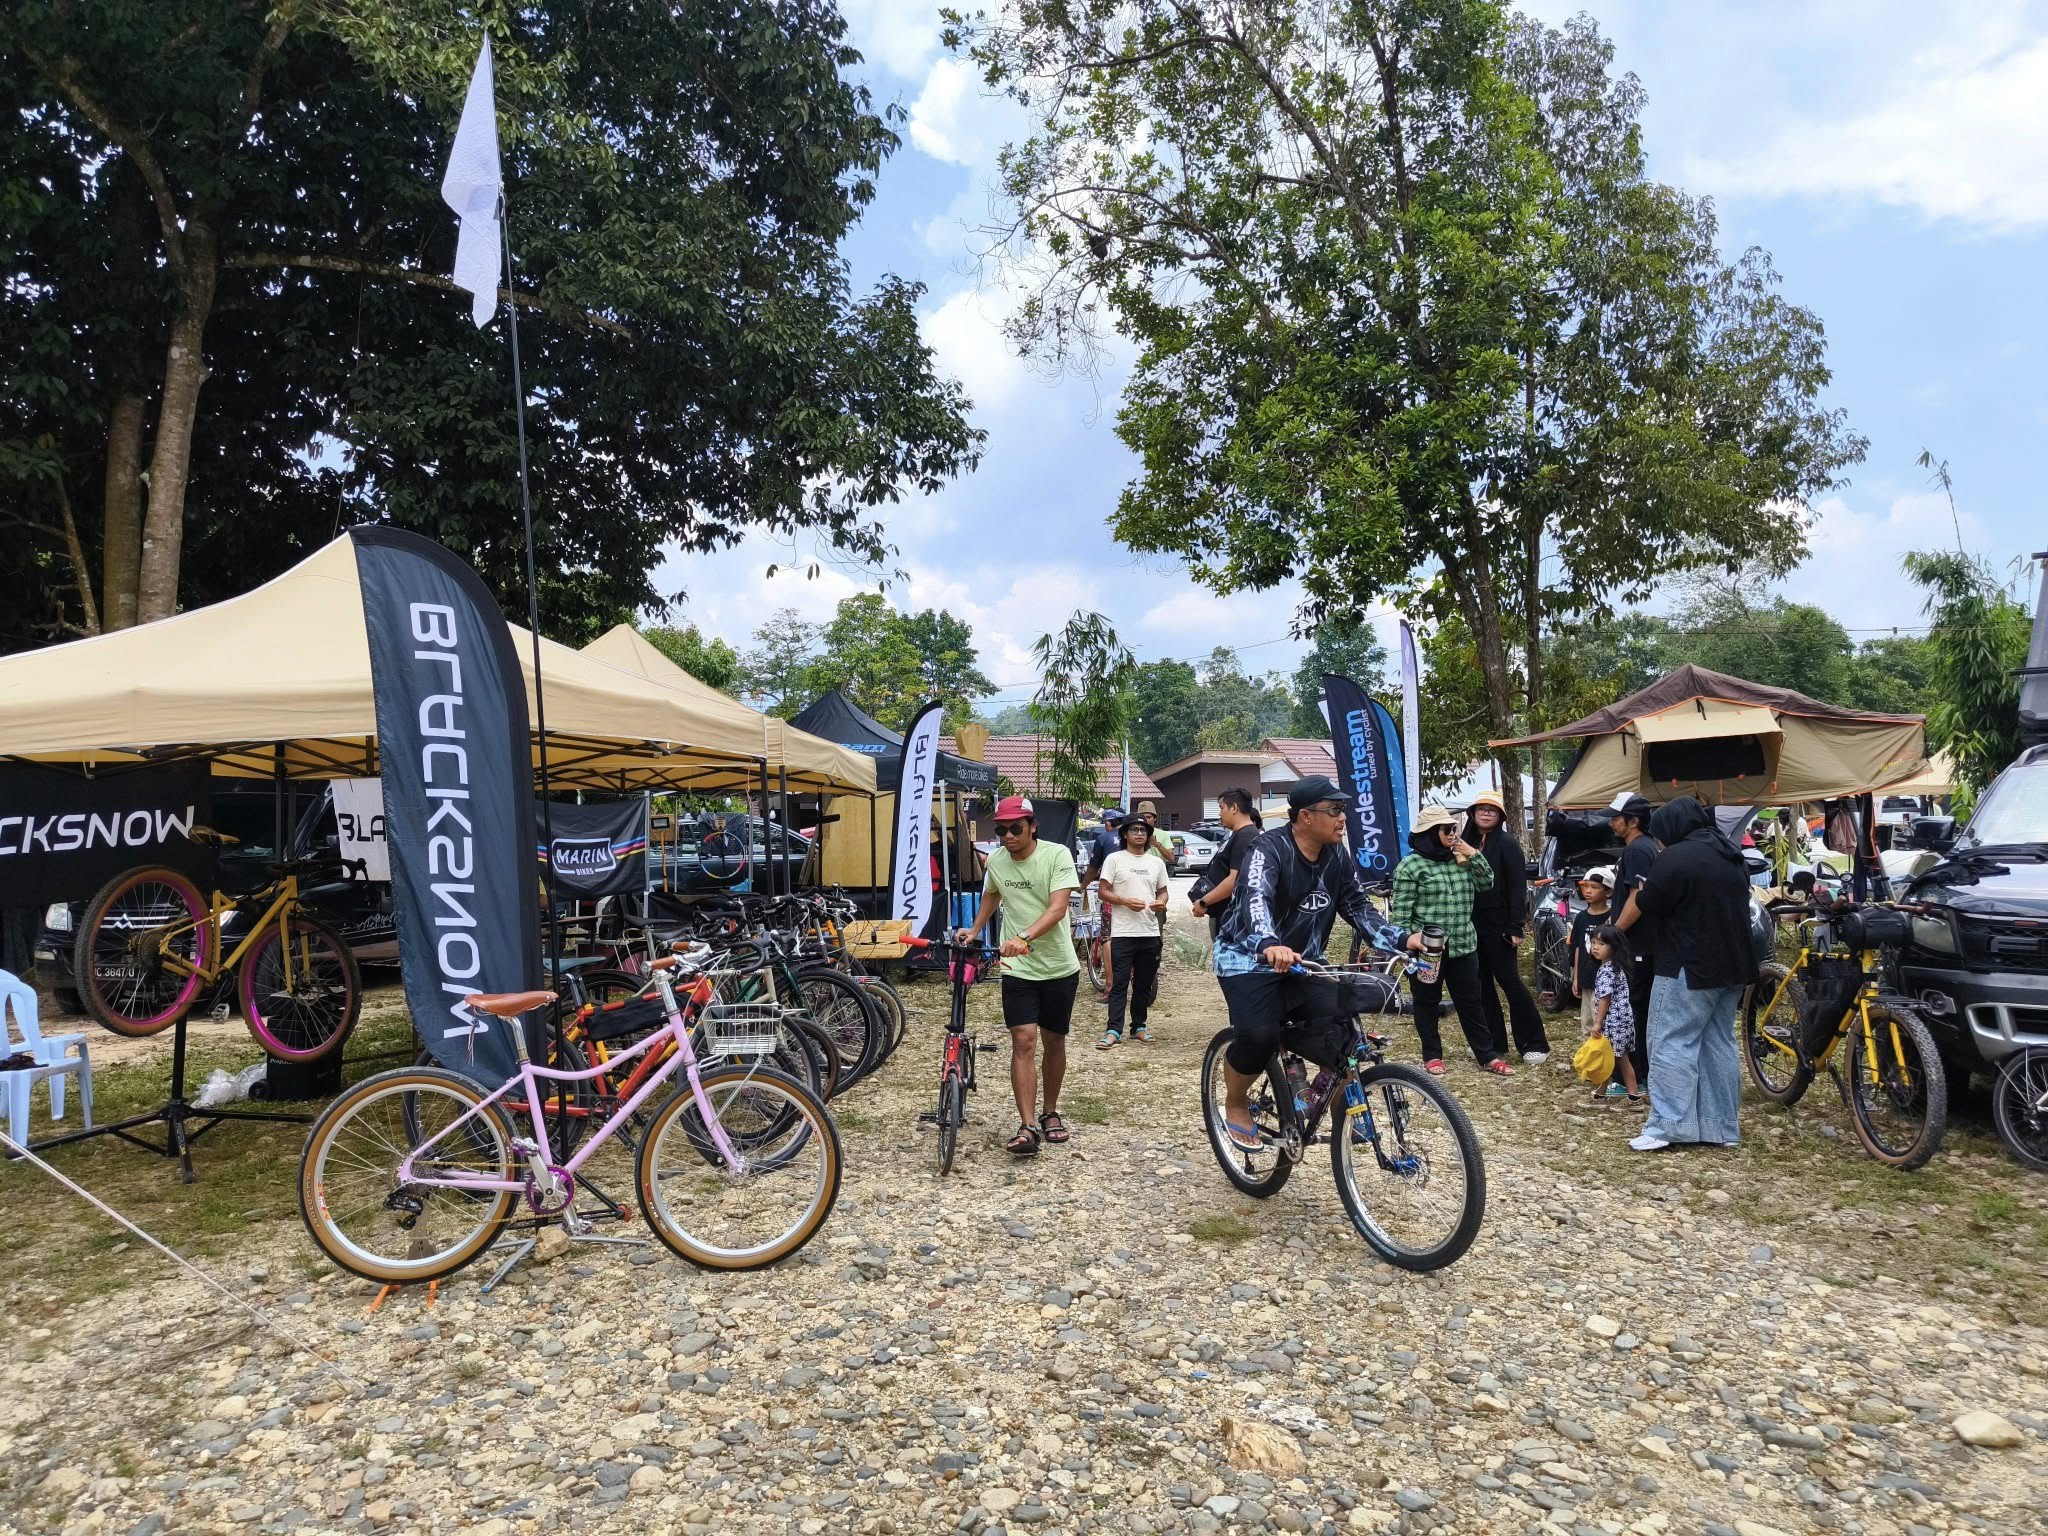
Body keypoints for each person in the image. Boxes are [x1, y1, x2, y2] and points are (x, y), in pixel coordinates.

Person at [1213, 776, 1425, 1149]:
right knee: (1259, 1036)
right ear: (1306, 817)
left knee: (1344, 1028)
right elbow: (1255, 899)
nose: (1343, 818)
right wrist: (1269, 942)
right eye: (1335, 811)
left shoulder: (1336, 856)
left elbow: (1357, 906)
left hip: (1306, 963)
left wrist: (1402, 939)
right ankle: (1235, 1102)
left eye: (1343, 811)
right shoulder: (1267, 849)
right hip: (1247, 960)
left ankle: (1338, 1105)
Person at [1617, 795, 1756, 1152]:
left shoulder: (1675, 857)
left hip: (1687, 965)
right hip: (1733, 965)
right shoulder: (1730, 854)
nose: (1659, 841)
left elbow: (1648, 902)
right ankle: (1721, 1127)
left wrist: (1648, 889)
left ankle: (1668, 1126)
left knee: (1671, 1041)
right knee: (1717, 1042)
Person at [956, 795, 1082, 1156]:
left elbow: (1059, 908)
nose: (1008, 836)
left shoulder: (1056, 856)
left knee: (1054, 1040)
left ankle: (1050, 1111)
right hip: (1018, 968)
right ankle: (1027, 1125)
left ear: (1032, 827)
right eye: (1001, 830)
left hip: (1058, 964)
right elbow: (991, 896)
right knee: (1024, 1040)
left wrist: (1023, 937)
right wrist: (977, 929)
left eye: (1015, 828)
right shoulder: (996, 860)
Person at [1391, 805, 1510, 1076]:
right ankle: (1432, 1055)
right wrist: (1408, 945)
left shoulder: (1460, 857)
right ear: (1430, 833)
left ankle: (1486, 1055)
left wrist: (1474, 854)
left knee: (1471, 1001)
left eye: (1453, 829)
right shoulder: (1411, 866)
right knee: (1427, 1001)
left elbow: (1487, 884)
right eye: (1446, 830)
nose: (1452, 834)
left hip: (1464, 945)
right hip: (1428, 950)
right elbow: (1402, 915)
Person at [1464, 789, 1550, 1064]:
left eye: (1491, 810)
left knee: (1510, 983)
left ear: (1500, 815)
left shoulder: (1508, 844)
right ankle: (1493, 1043)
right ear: (1473, 813)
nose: (1486, 814)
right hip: (1470, 925)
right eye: (1481, 809)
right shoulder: (1464, 842)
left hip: (1500, 926)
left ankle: (1534, 1043)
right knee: (1480, 986)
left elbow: (1516, 887)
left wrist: (1516, 927)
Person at [1096, 816, 1170, 1047]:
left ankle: (1138, 1027)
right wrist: (1123, 901)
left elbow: (1164, 892)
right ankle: (1113, 1030)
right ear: (1125, 834)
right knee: (1119, 983)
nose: (1139, 833)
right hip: (1123, 932)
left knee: (1144, 984)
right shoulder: (1114, 859)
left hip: (1149, 930)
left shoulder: (1156, 863)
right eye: (1134, 829)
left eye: (1144, 830)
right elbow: (1102, 891)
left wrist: (1161, 902)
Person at [1606, 792, 1660, 1089]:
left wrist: (1615, 932)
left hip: (1638, 946)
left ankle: (1636, 1077)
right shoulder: (1640, 847)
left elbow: (1638, 896)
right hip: (1637, 944)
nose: (1611, 823)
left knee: (1633, 1010)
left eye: (1616, 818)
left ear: (1634, 821)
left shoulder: (1639, 849)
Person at [1584, 924, 1642, 1107]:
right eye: (1593, 942)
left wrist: (1597, 1023)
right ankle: (1605, 1094)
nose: (1595, 947)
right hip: (1621, 1022)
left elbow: (1605, 998)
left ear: (1613, 946)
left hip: (1614, 1023)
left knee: (1617, 1059)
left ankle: (1632, 1097)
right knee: (1616, 1059)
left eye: (1601, 943)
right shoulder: (1614, 968)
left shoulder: (1608, 971)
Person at [1190, 788, 1260, 938]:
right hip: (1223, 913)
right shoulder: (1236, 834)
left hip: (1233, 916)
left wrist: (1204, 901)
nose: (1219, 814)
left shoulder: (1246, 835)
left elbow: (1236, 879)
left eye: (1221, 808)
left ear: (1234, 808)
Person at [1567, 866, 1616, 1031]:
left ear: (1608, 892)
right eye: (1585, 886)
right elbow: (1578, 947)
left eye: (1594, 887)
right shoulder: (1581, 918)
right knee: (1587, 1021)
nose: (1588, 891)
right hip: (1586, 977)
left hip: (1605, 979)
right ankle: (1590, 1054)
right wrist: (1575, 977)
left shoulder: (1613, 918)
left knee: (1601, 1021)